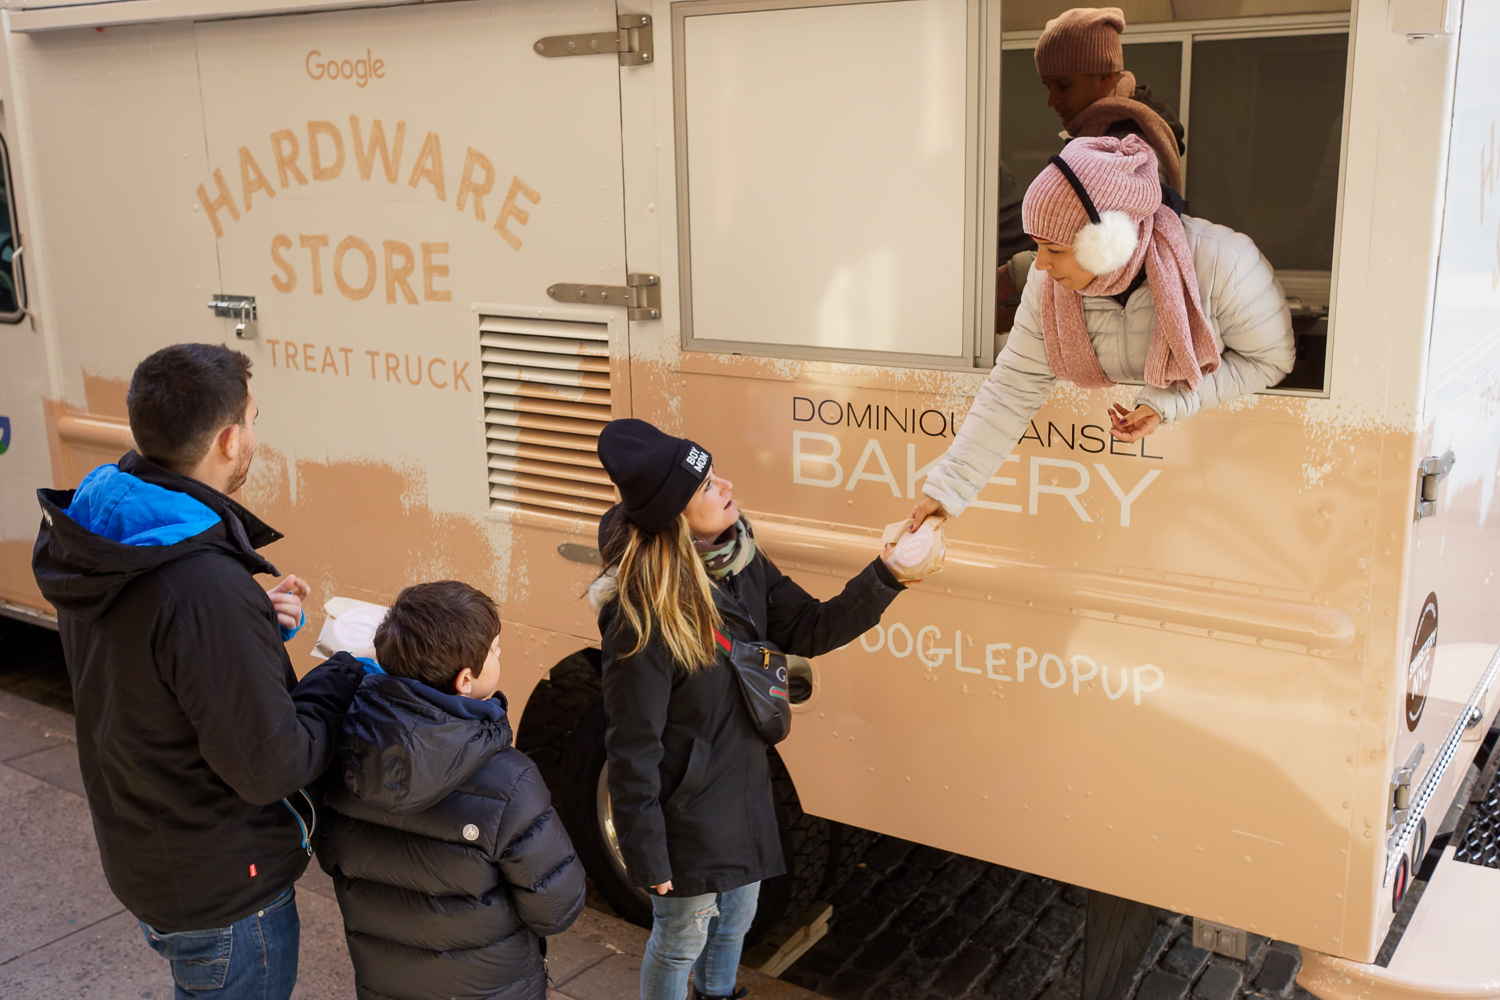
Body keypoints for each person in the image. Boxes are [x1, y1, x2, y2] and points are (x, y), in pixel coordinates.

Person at [31, 343, 364, 1000]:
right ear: (229, 439)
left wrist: (251, 624)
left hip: (150, 850)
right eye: (254, 421)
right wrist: (343, 676)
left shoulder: (102, 528)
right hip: (224, 889)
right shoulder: (201, 584)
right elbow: (270, 766)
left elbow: (148, 656)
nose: (254, 437)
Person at [587, 419, 911, 1000]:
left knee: (736, 922)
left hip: (742, 789)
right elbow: (632, 746)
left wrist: (887, 574)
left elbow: (810, 627)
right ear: (676, 516)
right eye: (706, 485)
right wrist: (646, 853)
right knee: (680, 939)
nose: (727, 485)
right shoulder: (642, 617)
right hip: (686, 813)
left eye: (715, 474)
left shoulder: (741, 560)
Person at [915, 135, 1294, 525]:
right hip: (1103, 504)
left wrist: (1169, 401)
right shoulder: (1048, 286)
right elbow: (1012, 389)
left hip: (1209, 498)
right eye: (1038, 246)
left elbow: (1269, 360)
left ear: (1107, 243)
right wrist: (946, 492)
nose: (1040, 263)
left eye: (1055, 249)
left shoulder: (1224, 264)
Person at [317, 581, 585, 1000]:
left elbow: (331, 856)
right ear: (465, 680)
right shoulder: (511, 781)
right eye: (494, 650)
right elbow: (556, 908)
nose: (499, 655)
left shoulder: (342, 754)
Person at [998, 6, 1187, 307]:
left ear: (1106, 76)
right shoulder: (1107, 130)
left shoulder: (1127, 147)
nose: (1051, 100)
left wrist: (1013, 274)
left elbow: (1118, 245)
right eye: (1048, 86)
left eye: (1063, 85)